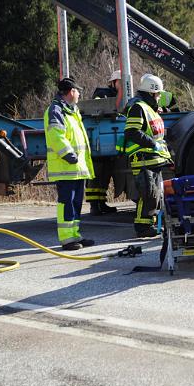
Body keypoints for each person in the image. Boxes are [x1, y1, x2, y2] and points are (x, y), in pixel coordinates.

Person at [44, 77, 95, 251]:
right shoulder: (56, 110)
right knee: (67, 203)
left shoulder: (71, 110)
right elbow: (55, 135)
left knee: (76, 203)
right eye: (77, 91)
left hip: (76, 168)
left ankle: (75, 235)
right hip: (66, 166)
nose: (79, 94)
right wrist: (68, 154)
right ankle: (66, 239)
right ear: (71, 92)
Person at [119, 73, 173, 238]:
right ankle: (142, 227)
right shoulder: (138, 108)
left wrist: (167, 157)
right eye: (157, 94)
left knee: (155, 194)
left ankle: (150, 224)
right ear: (150, 93)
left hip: (154, 159)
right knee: (148, 193)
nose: (158, 97)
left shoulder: (151, 109)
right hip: (142, 158)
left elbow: (158, 137)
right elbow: (132, 132)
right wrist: (152, 144)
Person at [85, 70, 121, 216]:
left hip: (109, 141)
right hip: (98, 140)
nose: (121, 84)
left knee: (105, 174)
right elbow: (98, 106)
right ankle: (94, 205)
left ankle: (101, 202)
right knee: (96, 174)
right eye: (119, 81)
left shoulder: (124, 96)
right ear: (112, 82)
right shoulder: (102, 92)